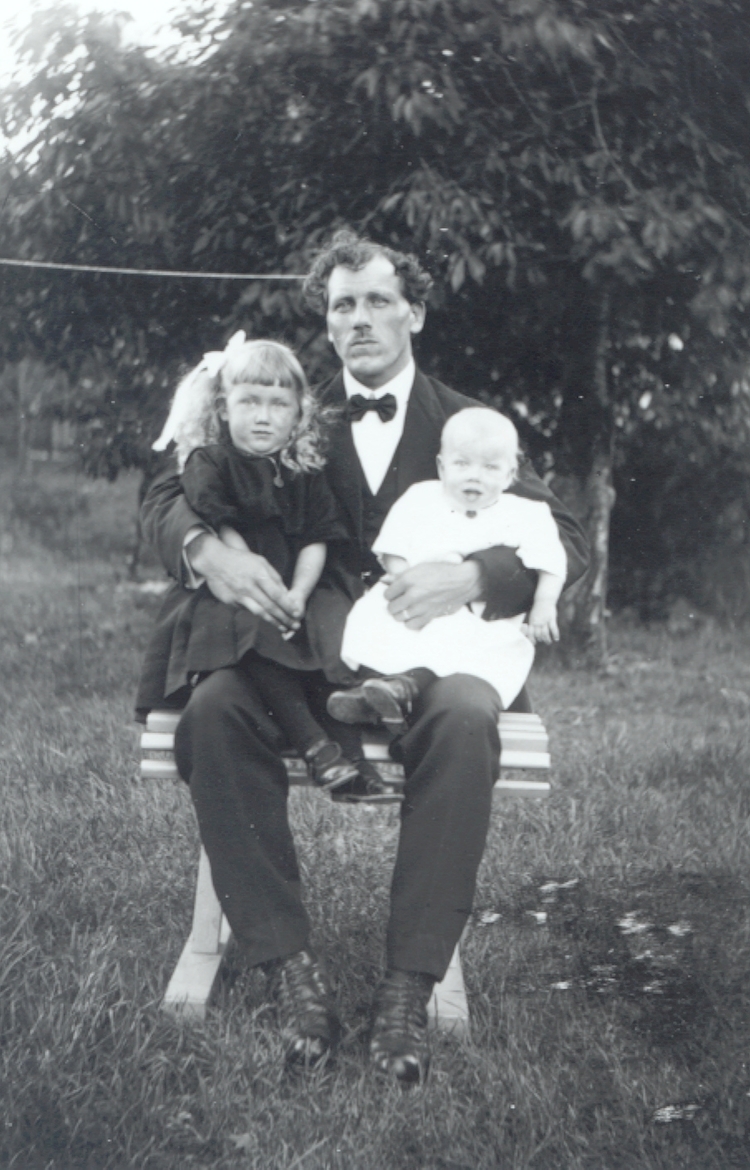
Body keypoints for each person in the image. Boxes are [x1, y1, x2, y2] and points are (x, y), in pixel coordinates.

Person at [140, 230, 589, 1084]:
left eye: (379, 301)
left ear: (414, 312)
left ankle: (407, 989)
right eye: (343, 305)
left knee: (466, 717)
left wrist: (474, 575)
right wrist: (208, 550)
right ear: (327, 320)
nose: (360, 319)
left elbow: (561, 533)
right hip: (298, 645)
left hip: (432, 655)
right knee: (214, 710)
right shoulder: (288, 405)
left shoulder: (467, 425)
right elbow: (169, 491)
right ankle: (291, 972)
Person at [136, 334, 367, 793]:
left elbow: (317, 538)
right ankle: (315, 746)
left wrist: (298, 593)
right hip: (235, 593)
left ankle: (354, 758)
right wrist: (251, 578)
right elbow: (222, 529)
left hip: (294, 588)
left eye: (279, 404)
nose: (263, 416)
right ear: (224, 409)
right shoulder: (211, 462)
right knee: (252, 638)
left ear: (299, 413)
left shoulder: (305, 470)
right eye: (249, 402)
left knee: (329, 633)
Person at [328, 407, 566, 734]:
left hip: (476, 616)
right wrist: (405, 579)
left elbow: (550, 561)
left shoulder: (526, 513)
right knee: (376, 620)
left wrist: (544, 604)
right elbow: (394, 546)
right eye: (462, 464)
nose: (474, 476)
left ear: (510, 473)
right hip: (416, 600)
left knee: (473, 649)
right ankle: (373, 687)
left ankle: (398, 691)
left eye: (490, 467)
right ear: (442, 466)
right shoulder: (421, 498)